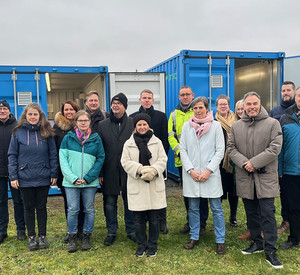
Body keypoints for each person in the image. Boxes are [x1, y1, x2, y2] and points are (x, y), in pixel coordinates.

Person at [228, 92, 283, 269]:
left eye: (255, 103)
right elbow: (231, 148)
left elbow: (275, 148)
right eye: (248, 104)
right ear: (243, 106)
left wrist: (254, 163)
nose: (251, 107)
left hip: (265, 177)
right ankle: (257, 242)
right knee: (251, 213)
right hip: (246, 177)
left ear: (260, 104)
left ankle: (270, 249)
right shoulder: (236, 126)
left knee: (267, 213)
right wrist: (245, 164)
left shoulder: (273, 124)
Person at [8, 102, 58, 251]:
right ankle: (31, 237)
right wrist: (13, 176)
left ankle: (42, 237)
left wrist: (54, 173)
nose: (33, 117)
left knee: (42, 208)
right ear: (25, 116)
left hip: (43, 176)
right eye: (30, 114)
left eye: (35, 114)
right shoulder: (17, 132)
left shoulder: (47, 132)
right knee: (28, 208)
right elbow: (12, 155)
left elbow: (53, 154)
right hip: (25, 177)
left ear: (40, 116)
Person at [180, 96, 226, 254]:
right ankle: (194, 236)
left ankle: (220, 240)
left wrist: (208, 170)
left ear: (207, 108)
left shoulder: (216, 126)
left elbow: (220, 151)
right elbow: (183, 150)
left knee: (216, 208)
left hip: (210, 174)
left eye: (201, 108)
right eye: (195, 108)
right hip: (192, 174)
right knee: (193, 208)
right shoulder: (187, 127)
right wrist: (190, 170)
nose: (198, 111)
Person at [121, 113, 168, 257]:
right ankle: (141, 245)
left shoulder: (157, 142)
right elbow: (125, 161)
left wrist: (153, 170)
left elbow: (163, 159)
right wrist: (140, 169)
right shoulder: (128, 144)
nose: (142, 127)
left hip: (154, 185)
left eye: (144, 124)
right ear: (135, 127)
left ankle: (153, 246)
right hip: (138, 185)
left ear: (149, 126)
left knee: (154, 219)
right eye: (139, 125)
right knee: (138, 220)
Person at [59, 110, 105, 253]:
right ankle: (72, 237)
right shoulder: (68, 138)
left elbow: (100, 158)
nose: (83, 123)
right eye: (80, 121)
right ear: (76, 122)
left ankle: (86, 236)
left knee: (89, 209)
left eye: (86, 120)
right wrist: (72, 178)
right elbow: (63, 160)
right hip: (71, 182)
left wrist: (89, 178)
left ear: (90, 122)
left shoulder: (96, 138)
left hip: (89, 182)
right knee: (73, 209)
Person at [168, 86, 209, 235]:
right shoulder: (173, 115)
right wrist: (180, 151)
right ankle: (191, 221)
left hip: (200, 161)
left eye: (187, 94)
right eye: (182, 95)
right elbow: (171, 135)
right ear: (179, 97)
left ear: (193, 95)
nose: (185, 97)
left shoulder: (198, 112)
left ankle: (202, 222)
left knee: (202, 193)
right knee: (188, 193)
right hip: (183, 161)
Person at [98, 93, 136, 246]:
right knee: (109, 202)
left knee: (130, 201)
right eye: (113, 102)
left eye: (119, 103)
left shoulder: (133, 123)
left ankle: (131, 229)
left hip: (129, 170)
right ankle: (111, 231)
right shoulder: (102, 125)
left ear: (125, 106)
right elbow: (99, 150)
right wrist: (100, 172)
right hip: (109, 169)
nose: (115, 105)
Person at [130, 89, 169, 234]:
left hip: (157, 162)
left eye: (149, 98)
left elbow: (165, 140)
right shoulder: (132, 117)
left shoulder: (161, 116)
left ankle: (161, 221)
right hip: (139, 163)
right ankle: (143, 220)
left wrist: (158, 162)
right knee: (141, 193)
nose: (147, 100)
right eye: (144, 98)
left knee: (159, 192)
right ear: (140, 100)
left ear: (153, 100)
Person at [53, 100, 81, 243]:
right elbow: (54, 151)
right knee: (69, 203)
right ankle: (71, 231)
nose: (69, 112)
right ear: (62, 111)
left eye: (71, 109)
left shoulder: (82, 126)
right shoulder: (57, 128)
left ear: (76, 111)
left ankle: (81, 230)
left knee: (82, 203)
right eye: (66, 110)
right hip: (65, 172)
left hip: (81, 171)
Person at [270, 81, 296, 233]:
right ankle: (286, 220)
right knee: (284, 192)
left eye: (288, 90)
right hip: (280, 157)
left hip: (293, 157)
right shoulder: (275, 112)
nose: (286, 93)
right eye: (283, 90)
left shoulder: (295, 111)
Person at [0, 100, 26, 244]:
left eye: (4, 109)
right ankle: (2, 231)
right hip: (0, 172)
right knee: (1, 202)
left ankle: (21, 230)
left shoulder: (17, 127)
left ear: (9, 111)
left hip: (15, 172)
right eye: (0, 109)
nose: (2, 111)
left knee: (18, 201)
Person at [278, 86, 300, 250]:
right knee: (293, 206)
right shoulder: (285, 117)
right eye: (299, 96)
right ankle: (294, 237)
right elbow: (280, 148)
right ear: (296, 97)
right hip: (291, 171)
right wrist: (279, 170)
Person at [215, 95, 238, 226]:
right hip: (219, 162)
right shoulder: (214, 122)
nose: (223, 106)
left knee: (233, 192)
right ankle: (219, 217)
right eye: (220, 104)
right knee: (220, 190)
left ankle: (233, 216)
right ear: (217, 107)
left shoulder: (236, 120)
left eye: (225, 104)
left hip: (233, 161)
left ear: (229, 105)